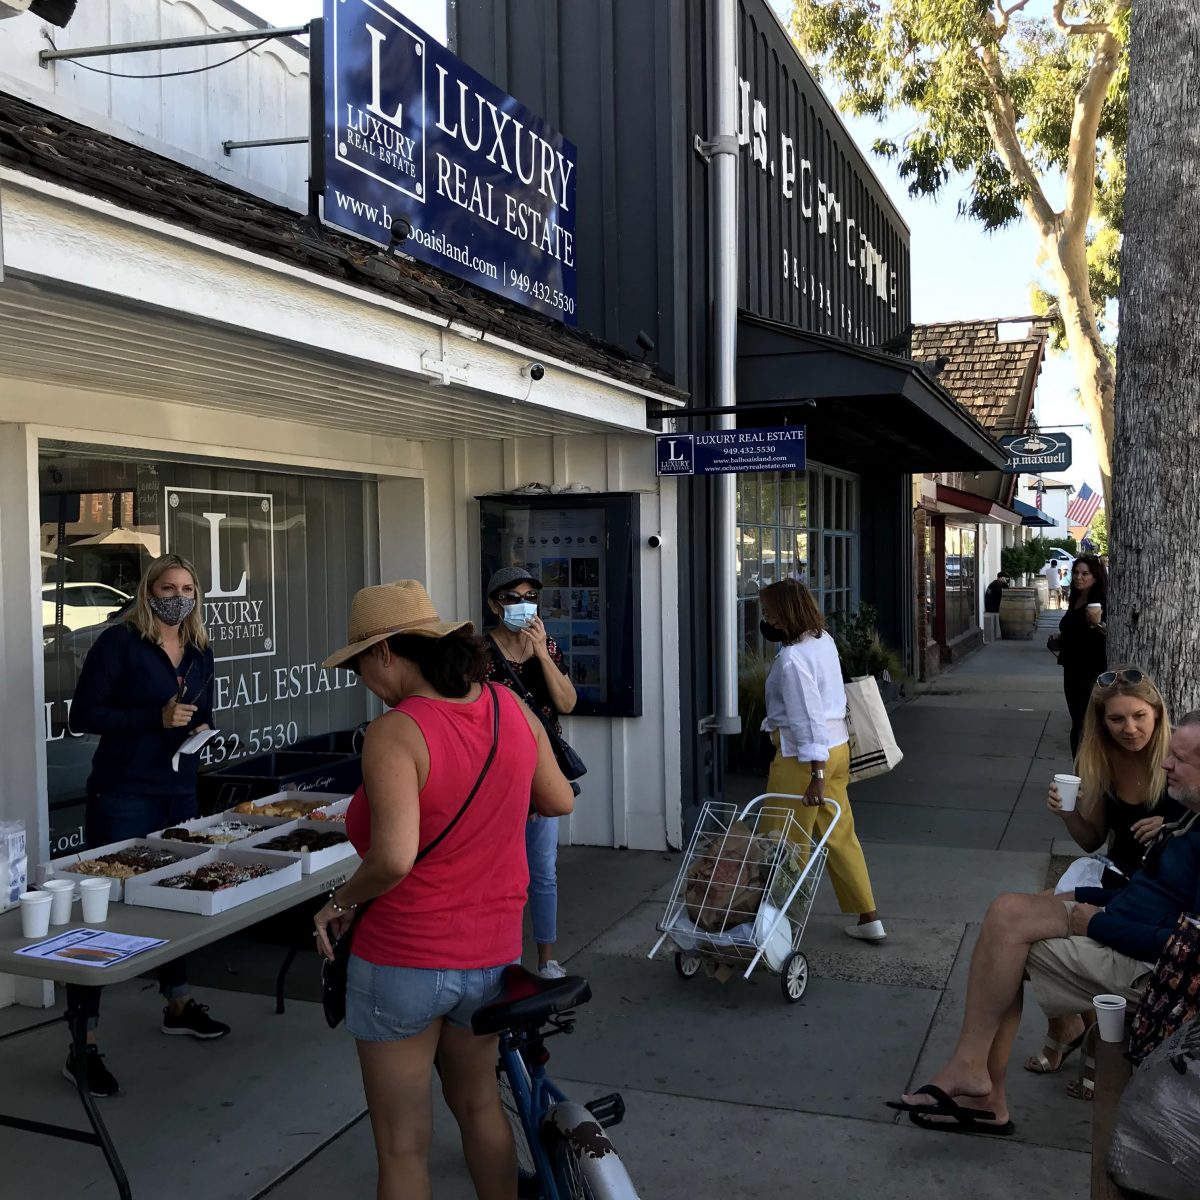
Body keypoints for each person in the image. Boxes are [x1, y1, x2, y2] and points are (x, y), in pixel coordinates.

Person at [313, 580, 574, 1200]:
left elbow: (394, 857)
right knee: (482, 1107)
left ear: (384, 654)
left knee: (403, 1145)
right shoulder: (510, 708)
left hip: (402, 953)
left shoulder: (397, 732)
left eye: (358, 667)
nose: (362, 682)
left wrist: (338, 902)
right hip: (490, 952)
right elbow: (558, 798)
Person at [890, 716, 1200, 1136]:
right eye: (1168, 754)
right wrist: (1079, 900)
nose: (1166, 765)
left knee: (1009, 945)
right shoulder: (1190, 816)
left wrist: (1096, 926)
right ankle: (972, 1072)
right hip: (1120, 924)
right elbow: (1148, 898)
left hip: (1152, 972)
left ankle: (983, 1090)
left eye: (1179, 759)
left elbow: (1187, 951)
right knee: (1008, 910)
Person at [67, 554, 225, 1098]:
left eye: (186, 587)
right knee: (104, 910)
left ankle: (178, 1003)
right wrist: (151, 720)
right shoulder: (120, 643)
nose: (176, 596)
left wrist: (202, 730)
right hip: (124, 794)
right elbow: (83, 715)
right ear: (148, 591)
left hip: (179, 790)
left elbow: (207, 709)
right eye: (167, 587)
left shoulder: (201, 649)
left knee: (177, 899)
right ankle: (82, 1044)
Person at [1025, 668, 1184, 1078]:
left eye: (1139, 716)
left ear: (1157, 714)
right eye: (1117, 719)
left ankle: (1073, 1030)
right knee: (1027, 914)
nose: (1129, 729)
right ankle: (1067, 1024)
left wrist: (1170, 827)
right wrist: (1067, 814)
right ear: (1101, 722)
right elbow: (1090, 839)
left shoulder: (1178, 759)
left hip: (1157, 889)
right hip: (1115, 873)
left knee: (1032, 921)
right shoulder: (1101, 758)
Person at [758, 578, 885, 942]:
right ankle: (869, 916)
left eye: (769, 612)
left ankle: (777, 924)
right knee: (840, 835)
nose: (765, 619)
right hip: (837, 750)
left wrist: (814, 773)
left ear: (784, 615)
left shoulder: (793, 659)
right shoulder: (822, 641)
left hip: (803, 758)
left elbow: (806, 717)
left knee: (781, 840)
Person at [481, 566, 578, 980]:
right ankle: (502, 958)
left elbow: (567, 702)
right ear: (494, 604)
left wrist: (541, 654)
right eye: (512, 597)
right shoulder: (479, 651)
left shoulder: (547, 645)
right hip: (496, 775)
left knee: (542, 869)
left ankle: (545, 958)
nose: (523, 605)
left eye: (529, 597)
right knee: (499, 872)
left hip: (544, 770)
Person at [1055, 553, 1108, 756]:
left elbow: (1110, 635)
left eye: (1085, 573)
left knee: (1087, 724)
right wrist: (1060, 637)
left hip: (1092, 670)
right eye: (1076, 572)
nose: (1079, 577)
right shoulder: (1076, 599)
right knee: (1077, 720)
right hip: (1071, 668)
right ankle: (1079, 772)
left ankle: (1088, 773)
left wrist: (1097, 624)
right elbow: (1074, 629)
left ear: (1095, 576)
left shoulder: (1101, 600)